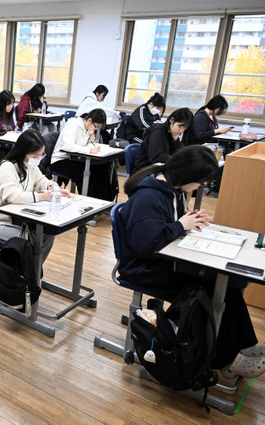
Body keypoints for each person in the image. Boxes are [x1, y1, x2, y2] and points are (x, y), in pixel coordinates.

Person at [119, 145, 265, 378]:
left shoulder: (172, 188)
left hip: (166, 258)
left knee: (229, 283)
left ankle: (242, 345)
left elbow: (165, 225)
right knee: (213, 287)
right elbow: (145, 245)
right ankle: (226, 360)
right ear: (187, 175)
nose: (200, 187)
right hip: (144, 267)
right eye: (199, 182)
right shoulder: (149, 196)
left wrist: (187, 220)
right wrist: (180, 226)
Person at [0, 129, 67, 261]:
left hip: (19, 218)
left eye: (41, 156)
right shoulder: (7, 167)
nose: (38, 160)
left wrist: (53, 188)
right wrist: (40, 197)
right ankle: (26, 274)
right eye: (35, 156)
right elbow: (12, 196)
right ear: (23, 152)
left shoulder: (30, 165)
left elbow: (42, 181)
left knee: (48, 235)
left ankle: (32, 274)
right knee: (33, 240)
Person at [49, 109, 114, 199]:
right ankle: (87, 201)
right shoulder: (73, 126)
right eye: (95, 126)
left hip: (73, 158)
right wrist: (89, 151)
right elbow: (67, 146)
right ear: (89, 120)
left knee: (101, 168)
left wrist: (89, 141)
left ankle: (103, 200)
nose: (95, 129)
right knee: (83, 173)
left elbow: (80, 145)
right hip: (59, 160)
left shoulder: (86, 128)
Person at [131, 107, 193, 175]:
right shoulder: (157, 131)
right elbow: (156, 157)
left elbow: (180, 153)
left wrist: (175, 141)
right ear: (171, 120)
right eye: (179, 126)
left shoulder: (173, 133)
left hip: (160, 170)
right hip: (143, 172)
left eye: (185, 128)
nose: (181, 131)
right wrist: (177, 160)